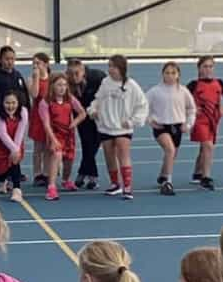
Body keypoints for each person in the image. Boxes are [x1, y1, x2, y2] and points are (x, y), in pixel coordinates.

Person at [91, 54, 150, 198]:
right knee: (108, 155)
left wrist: (132, 121)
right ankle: (115, 184)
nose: (111, 70)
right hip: (106, 126)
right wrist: (93, 111)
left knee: (123, 153)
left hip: (123, 128)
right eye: (109, 66)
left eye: (114, 67)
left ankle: (127, 186)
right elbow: (97, 99)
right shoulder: (105, 83)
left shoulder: (132, 85)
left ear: (122, 68)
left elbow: (143, 105)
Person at [145, 60, 197, 196]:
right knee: (170, 150)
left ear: (178, 75)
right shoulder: (155, 91)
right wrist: (151, 121)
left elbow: (192, 109)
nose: (170, 76)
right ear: (162, 74)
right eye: (167, 73)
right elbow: (143, 107)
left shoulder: (183, 91)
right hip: (161, 127)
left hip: (177, 127)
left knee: (172, 155)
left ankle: (163, 175)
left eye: (173, 73)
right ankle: (168, 182)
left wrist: (188, 124)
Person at [34, 72, 85, 201]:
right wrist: (53, 139)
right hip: (54, 133)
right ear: (52, 86)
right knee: (56, 155)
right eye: (59, 85)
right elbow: (46, 124)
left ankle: (66, 180)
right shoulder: (45, 103)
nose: (62, 88)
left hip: (68, 134)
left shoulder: (70, 99)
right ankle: (51, 187)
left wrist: (75, 122)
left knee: (69, 160)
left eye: (64, 85)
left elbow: (82, 113)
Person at [65, 55, 105, 189]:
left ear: (83, 71)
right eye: (70, 73)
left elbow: (107, 94)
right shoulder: (67, 83)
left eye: (77, 73)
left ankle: (82, 173)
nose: (74, 76)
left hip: (98, 114)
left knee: (95, 144)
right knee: (87, 143)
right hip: (81, 115)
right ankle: (93, 177)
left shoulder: (97, 77)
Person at [188, 56, 223, 189]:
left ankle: (197, 172)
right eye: (205, 66)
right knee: (208, 146)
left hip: (213, 120)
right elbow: (181, 100)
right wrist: (192, 110)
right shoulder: (194, 85)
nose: (208, 69)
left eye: (210, 66)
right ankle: (206, 177)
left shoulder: (219, 83)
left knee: (204, 147)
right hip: (199, 121)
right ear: (199, 68)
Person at [0, 44, 31, 136]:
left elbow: (25, 94)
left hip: (18, 116)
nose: (10, 62)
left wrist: (29, 114)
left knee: (18, 143)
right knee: (5, 144)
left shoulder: (17, 75)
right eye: (7, 59)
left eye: (12, 59)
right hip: (3, 116)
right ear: (0, 60)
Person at [0, 90, 28, 199]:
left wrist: (15, 150)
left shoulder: (23, 112)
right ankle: (1, 180)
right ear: (2, 103)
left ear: (18, 103)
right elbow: (3, 135)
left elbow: (20, 131)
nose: (10, 106)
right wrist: (13, 149)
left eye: (13, 103)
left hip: (16, 142)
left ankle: (17, 190)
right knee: (2, 172)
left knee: (15, 163)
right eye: (7, 103)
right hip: (2, 146)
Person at [26, 51, 55, 187]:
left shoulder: (53, 79)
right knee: (38, 147)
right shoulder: (31, 79)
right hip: (37, 116)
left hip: (51, 116)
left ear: (46, 64)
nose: (35, 66)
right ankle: (38, 174)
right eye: (34, 63)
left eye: (38, 63)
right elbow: (34, 94)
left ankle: (48, 172)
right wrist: (36, 77)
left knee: (49, 147)